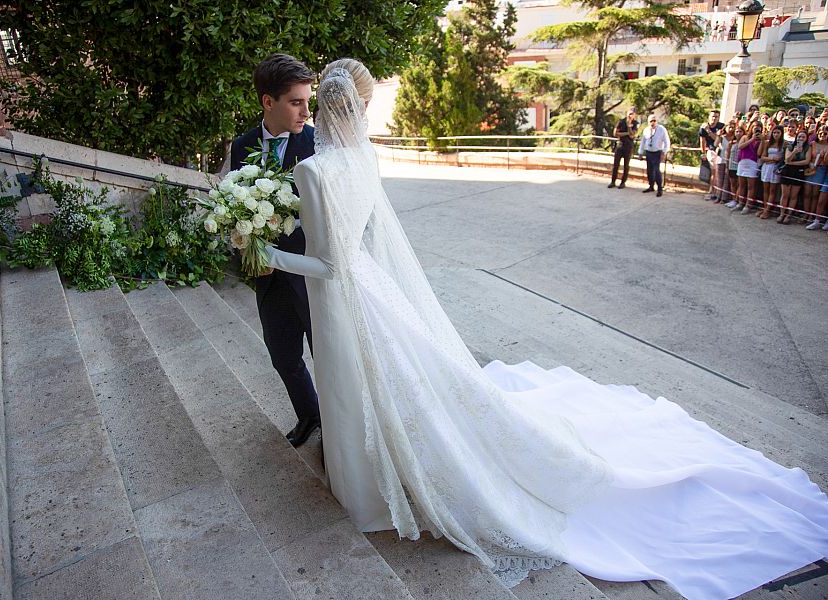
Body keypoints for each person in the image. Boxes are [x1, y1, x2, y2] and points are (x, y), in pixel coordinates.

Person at [266, 58, 828, 600]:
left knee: (356, 386)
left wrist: (269, 252)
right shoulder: (365, 160)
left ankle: (364, 486)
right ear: (360, 110)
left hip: (346, 294)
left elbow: (331, 264)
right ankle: (366, 476)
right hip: (371, 290)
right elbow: (351, 248)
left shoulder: (312, 170)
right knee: (378, 386)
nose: (305, 111)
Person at [228, 54, 321, 447]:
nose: (305, 110)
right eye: (296, 102)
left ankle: (339, 426)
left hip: (311, 272)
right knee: (283, 356)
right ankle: (310, 415)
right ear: (269, 102)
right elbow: (236, 207)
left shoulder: (317, 143)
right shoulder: (242, 145)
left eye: (307, 100)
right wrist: (248, 252)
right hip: (267, 277)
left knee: (327, 356)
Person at [777, 130, 813, 224]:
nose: (801, 138)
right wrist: (794, 151)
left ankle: (788, 215)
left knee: (793, 195)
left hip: (798, 172)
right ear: (796, 137)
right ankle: (782, 214)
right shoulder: (790, 146)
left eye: (803, 137)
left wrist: (792, 163)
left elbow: (806, 161)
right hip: (787, 172)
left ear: (806, 138)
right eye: (799, 136)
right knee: (785, 194)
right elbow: (787, 159)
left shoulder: (808, 148)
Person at [638, 114, 669, 197]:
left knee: (656, 171)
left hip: (657, 152)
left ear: (657, 121)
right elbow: (643, 142)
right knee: (649, 171)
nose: (653, 123)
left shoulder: (662, 129)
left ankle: (660, 189)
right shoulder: (646, 130)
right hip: (649, 152)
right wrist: (640, 152)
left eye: (654, 121)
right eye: (651, 121)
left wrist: (664, 152)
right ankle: (651, 186)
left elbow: (667, 142)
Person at [733, 123, 762, 213]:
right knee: (741, 185)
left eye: (758, 128)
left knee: (751, 186)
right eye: (754, 128)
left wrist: (761, 141)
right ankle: (740, 203)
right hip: (743, 161)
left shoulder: (761, 140)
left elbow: (759, 153)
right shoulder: (745, 137)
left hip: (752, 163)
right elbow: (740, 146)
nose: (756, 129)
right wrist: (752, 139)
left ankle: (748, 205)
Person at [607, 107, 638, 189]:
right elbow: (615, 133)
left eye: (632, 114)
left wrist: (629, 126)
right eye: (629, 113)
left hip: (628, 147)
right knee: (616, 165)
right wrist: (627, 133)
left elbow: (632, 135)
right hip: (620, 145)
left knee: (626, 166)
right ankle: (613, 182)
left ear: (634, 115)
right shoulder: (621, 121)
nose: (630, 115)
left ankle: (623, 182)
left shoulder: (635, 123)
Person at [758, 125, 784, 219]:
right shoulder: (767, 143)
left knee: (772, 190)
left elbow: (780, 159)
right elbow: (762, 157)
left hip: (775, 169)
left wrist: (773, 160)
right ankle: (765, 208)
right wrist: (772, 158)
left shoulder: (783, 145)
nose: (776, 135)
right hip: (766, 167)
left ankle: (767, 210)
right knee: (765, 189)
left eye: (778, 133)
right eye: (774, 132)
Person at [700, 110, 724, 200]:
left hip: (719, 150)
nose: (714, 118)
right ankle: (712, 190)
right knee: (713, 171)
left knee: (717, 172)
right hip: (711, 150)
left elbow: (718, 140)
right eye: (712, 116)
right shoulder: (703, 126)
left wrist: (708, 131)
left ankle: (714, 191)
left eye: (716, 117)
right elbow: (702, 140)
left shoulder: (721, 126)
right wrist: (703, 153)